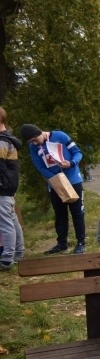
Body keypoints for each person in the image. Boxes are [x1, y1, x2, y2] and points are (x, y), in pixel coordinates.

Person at [20, 123, 86, 254]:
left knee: (77, 213)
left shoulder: (60, 136)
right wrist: (55, 178)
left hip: (73, 179)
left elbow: (77, 152)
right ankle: (62, 243)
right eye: (31, 142)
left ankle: (81, 242)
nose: (34, 143)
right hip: (55, 182)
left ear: (39, 133)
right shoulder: (33, 147)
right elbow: (40, 167)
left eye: (35, 139)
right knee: (60, 214)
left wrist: (71, 163)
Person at [0, 107, 23, 270]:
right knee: (12, 220)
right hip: (9, 185)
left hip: (2, 186)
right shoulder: (8, 138)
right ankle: (19, 252)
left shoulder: (1, 141)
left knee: (5, 222)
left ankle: (7, 259)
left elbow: (0, 167)